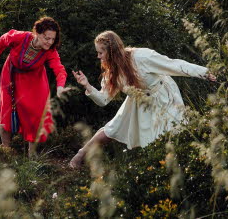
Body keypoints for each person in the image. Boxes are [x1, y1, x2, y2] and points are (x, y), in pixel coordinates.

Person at [69, 30, 215, 168]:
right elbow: (103, 100)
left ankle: (174, 166)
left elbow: (174, 65)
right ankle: (81, 154)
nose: (98, 57)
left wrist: (205, 73)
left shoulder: (142, 56)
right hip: (138, 101)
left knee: (173, 133)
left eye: (100, 52)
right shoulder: (111, 73)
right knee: (112, 130)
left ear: (111, 51)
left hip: (164, 97)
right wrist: (87, 85)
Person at [0, 16, 67, 157]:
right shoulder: (21, 37)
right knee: (6, 110)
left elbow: (59, 69)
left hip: (35, 81)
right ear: (37, 33)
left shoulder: (50, 51)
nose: (50, 42)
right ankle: (6, 150)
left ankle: (32, 155)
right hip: (11, 75)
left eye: (52, 39)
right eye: (46, 38)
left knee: (36, 114)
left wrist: (60, 86)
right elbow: (4, 38)